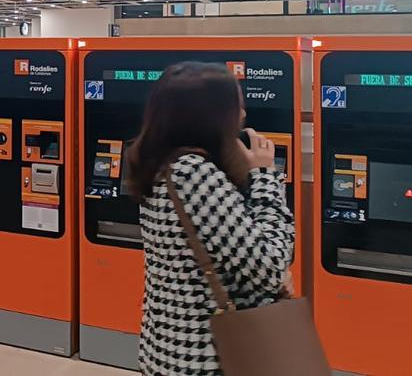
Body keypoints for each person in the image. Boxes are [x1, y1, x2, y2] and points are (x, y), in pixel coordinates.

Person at [126, 62, 294, 375]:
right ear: (211, 116)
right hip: (210, 358)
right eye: (236, 106)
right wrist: (265, 176)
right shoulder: (194, 174)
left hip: (169, 348)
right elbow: (270, 267)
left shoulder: (158, 164)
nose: (242, 115)